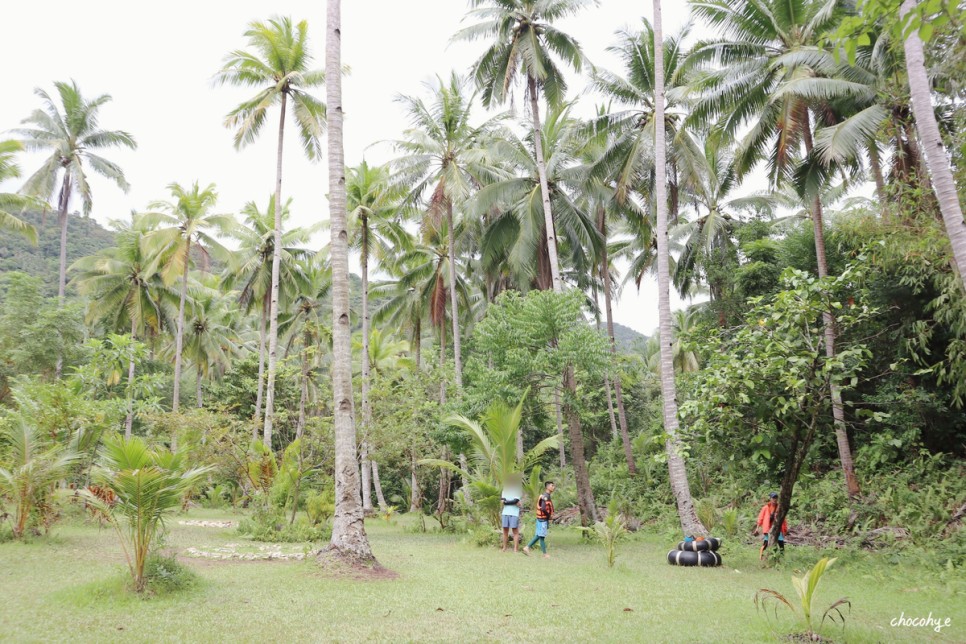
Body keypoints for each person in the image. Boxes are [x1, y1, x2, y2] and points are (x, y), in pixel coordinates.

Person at [523, 481, 555, 558]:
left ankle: (528, 548)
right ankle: (542, 553)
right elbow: (543, 508)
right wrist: (549, 516)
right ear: (547, 487)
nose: (554, 487)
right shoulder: (545, 496)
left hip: (541, 518)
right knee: (541, 536)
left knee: (539, 535)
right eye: (552, 485)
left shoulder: (546, 496)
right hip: (542, 519)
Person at [752, 492, 788, 560]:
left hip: (778, 529)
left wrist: (785, 529)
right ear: (770, 499)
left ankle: (781, 559)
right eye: (773, 498)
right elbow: (761, 518)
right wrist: (757, 528)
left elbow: (784, 519)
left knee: (781, 544)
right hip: (768, 529)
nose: (774, 499)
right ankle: (761, 558)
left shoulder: (779, 508)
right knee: (766, 543)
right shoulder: (765, 508)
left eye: (776, 498)